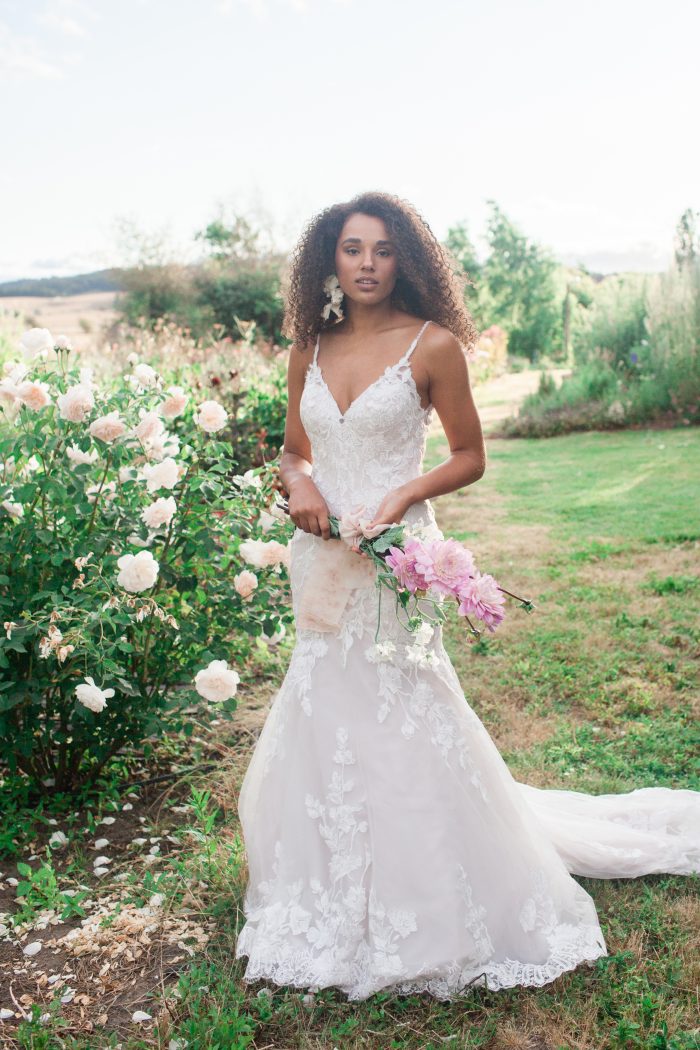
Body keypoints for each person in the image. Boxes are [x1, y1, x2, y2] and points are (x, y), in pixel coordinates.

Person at [234, 191, 700, 1002]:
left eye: (382, 249)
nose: (368, 264)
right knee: (326, 703)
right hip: (318, 559)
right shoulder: (307, 348)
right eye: (352, 249)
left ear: (404, 257)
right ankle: (329, 889)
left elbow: (470, 454)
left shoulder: (433, 344)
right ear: (330, 259)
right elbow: (291, 450)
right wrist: (300, 487)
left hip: (397, 553)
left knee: (402, 705)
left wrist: (398, 495)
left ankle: (431, 895)